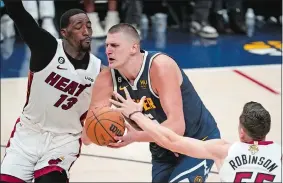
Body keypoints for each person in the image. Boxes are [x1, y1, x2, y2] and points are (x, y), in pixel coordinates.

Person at [83, 23, 221, 182]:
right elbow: (87, 137)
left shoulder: (160, 67)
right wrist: (99, 122)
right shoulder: (106, 80)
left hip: (198, 141)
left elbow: (177, 126)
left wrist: (135, 135)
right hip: (162, 147)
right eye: (107, 45)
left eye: (114, 45)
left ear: (133, 48)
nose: (108, 50)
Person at [0, 0, 102, 182]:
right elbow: (16, 11)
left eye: (88, 26)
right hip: (28, 134)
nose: (86, 32)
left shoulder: (99, 71)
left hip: (64, 140)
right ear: (64, 32)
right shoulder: (46, 48)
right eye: (79, 27)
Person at [111, 97, 282, 182]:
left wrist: (136, 115)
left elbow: (171, 140)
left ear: (242, 132)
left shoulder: (224, 150)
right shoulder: (279, 154)